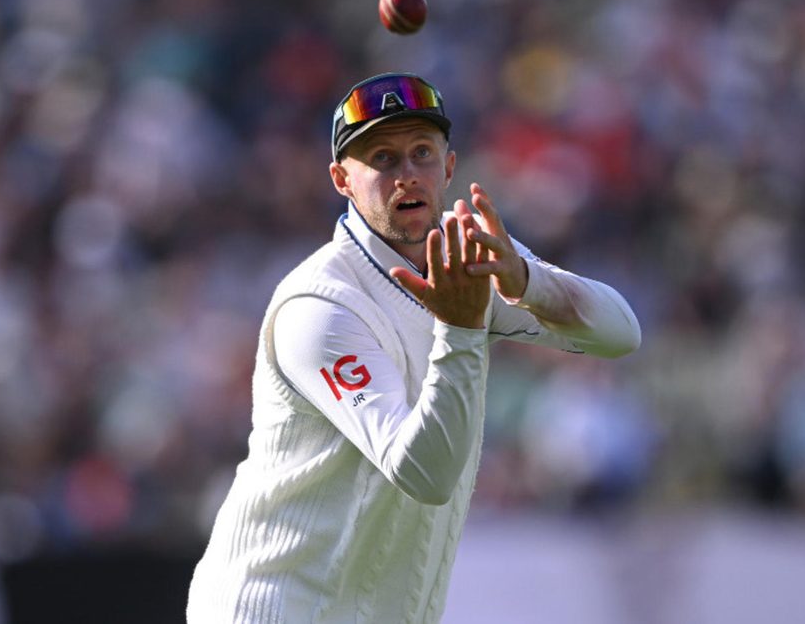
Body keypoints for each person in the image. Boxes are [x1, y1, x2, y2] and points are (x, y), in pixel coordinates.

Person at [187, 72, 641, 622]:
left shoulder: (467, 254)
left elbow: (619, 335)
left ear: (449, 167)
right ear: (342, 180)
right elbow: (425, 475)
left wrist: (524, 278)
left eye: (421, 152)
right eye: (381, 158)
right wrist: (463, 328)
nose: (406, 175)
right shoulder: (320, 306)